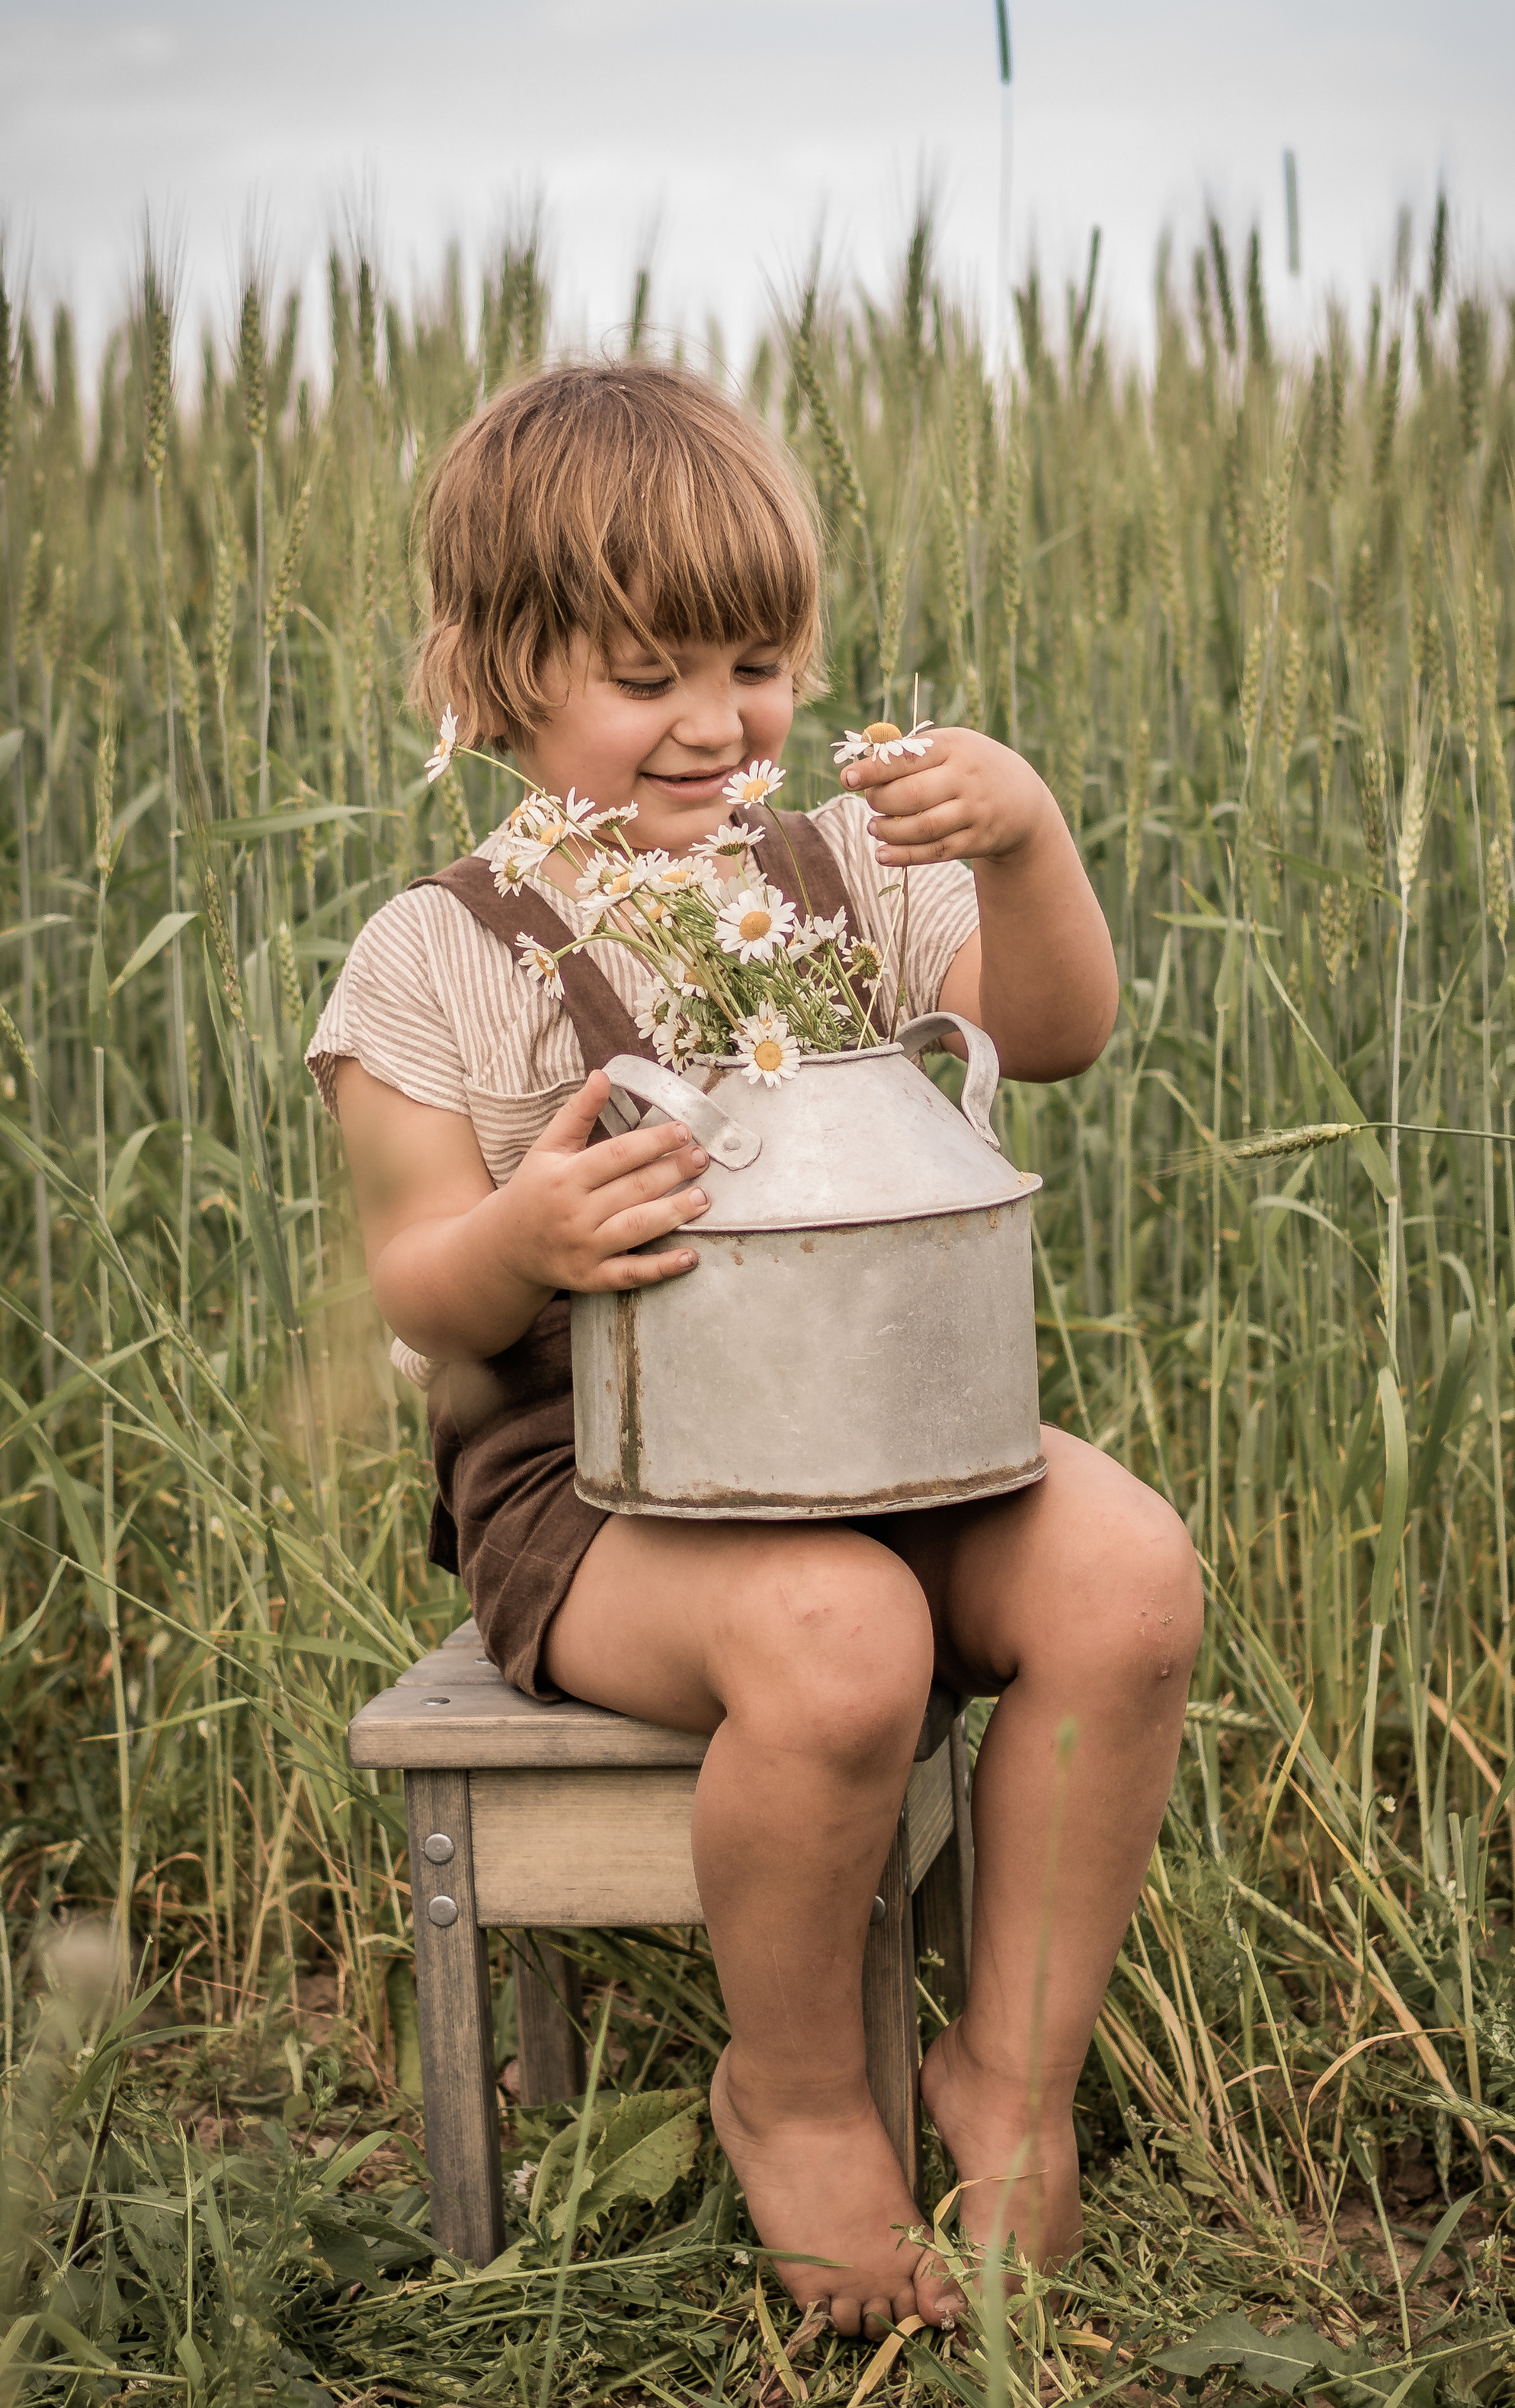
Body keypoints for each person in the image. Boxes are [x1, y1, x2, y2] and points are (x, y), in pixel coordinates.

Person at [310, 361, 1203, 2337]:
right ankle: (795, 2092)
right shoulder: (434, 956)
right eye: (648, 670)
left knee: (1131, 1578)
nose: (717, 721)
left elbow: (1051, 1030)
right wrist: (522, 1236)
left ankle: (1008, 2076)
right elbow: (414, 1293)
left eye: (757, 658)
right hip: (593, 1488)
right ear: (491, 674)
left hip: (891, 1423)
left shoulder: (848, 875)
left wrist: (1024, 842)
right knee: (838, 1638)